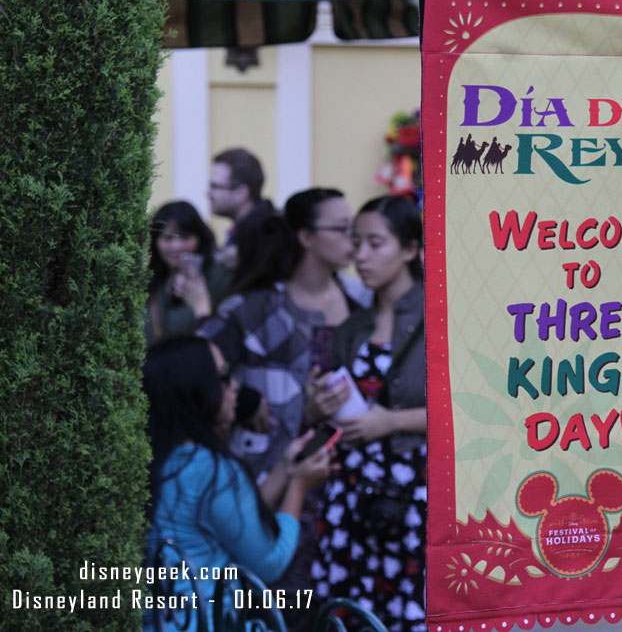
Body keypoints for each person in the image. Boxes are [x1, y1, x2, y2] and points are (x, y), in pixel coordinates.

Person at [143, 335, 331, 630]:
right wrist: (299, 488)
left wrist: (284, 469)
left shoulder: (159, 459)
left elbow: (233, 523)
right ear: (195, 391)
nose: (235, 387)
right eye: (223, 376)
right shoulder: (211, 469)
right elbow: (269, 562)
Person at [307, 195, 427, 632]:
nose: (359, 255)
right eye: (355, 242)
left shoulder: (438, 318)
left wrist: (391, 422)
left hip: (415, 491)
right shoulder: (351, 328)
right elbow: (323, 415)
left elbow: (466, 412)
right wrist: (318, 405)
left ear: (410, 249)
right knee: (355, 610)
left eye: (375, 243)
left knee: (410, 609)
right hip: (352, 490)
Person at [199, 187, 370, 476]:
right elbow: (194, 364)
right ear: (306, 238)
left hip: (350, 473)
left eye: (354, 229)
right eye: (342, 229)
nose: (352, 240)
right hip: (267, 472)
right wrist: (245, 402)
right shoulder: (253, 310)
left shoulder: (363, 300)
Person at [145, 201, 226, 345]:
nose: (176, 247)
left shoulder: (217, 277)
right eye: (167, 238)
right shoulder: (148, 279)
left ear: (200, 239)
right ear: (155, 241)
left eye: (185, 237)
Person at [207, 147, 276, 275]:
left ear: (241, 193)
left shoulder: (264, 235)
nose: (208, 193)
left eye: (215, 186)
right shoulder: (255, 229)